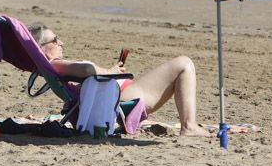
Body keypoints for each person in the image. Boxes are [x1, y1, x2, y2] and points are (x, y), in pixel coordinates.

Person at [27, 23, 210, 137]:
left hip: (114, 96)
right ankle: (189, 126)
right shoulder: (57, 64)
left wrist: (110, 72)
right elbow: (85, 69)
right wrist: (109, 71)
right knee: (184, 64)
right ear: (41, 47)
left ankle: (189, 124)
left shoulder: (50, 67)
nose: (61, 43)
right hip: (120, 99)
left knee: (181, 66)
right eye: (55, 40)